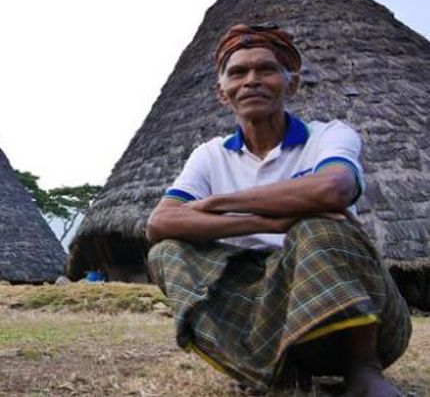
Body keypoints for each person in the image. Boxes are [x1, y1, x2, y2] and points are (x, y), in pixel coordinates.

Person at [146, 23, 411, 396]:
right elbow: (161, 221)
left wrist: (220, 203)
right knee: (166, 252)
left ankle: (363, 370)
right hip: (264, 311)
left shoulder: (329, 135)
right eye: (238, 72)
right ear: (222, 92)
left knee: (315, 227)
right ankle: (269, 373)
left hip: (363, 312)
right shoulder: (209, 155)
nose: (251, 80)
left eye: (266, 69)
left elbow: (333, 188)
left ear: (291, 85)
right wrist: (267, 219)